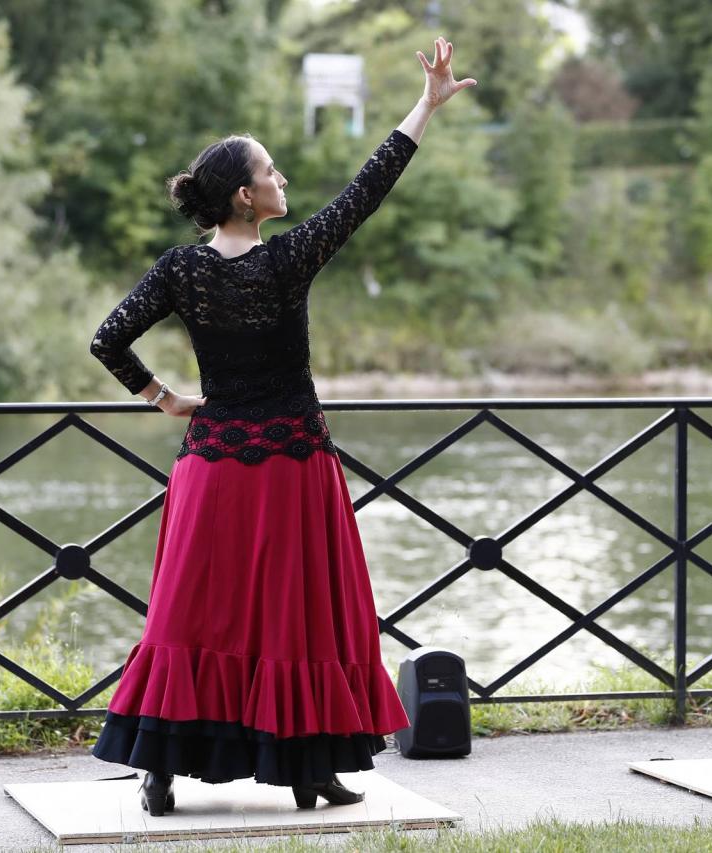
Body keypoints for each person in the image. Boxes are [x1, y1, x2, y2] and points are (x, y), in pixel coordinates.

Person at [88, 38, 476, 814]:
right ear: (242, 195)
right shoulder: (289, 258)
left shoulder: (180, 269)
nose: (282, 178)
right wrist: (427, 105)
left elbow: (106, 339)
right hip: (293, 466)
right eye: (269, 171)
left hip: (212, 467)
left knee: (188, 617)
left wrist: (164, 398)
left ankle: (160, 770)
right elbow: (370, 187)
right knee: (297, 622)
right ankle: (309, 773)